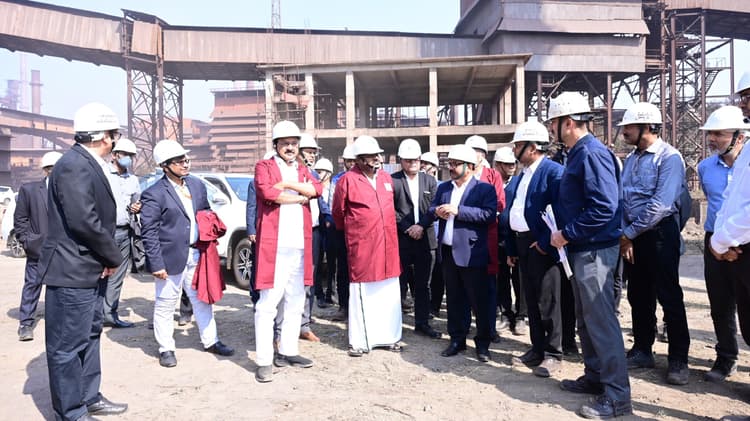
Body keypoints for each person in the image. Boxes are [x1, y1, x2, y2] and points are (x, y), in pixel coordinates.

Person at [37, 102, 128, 420]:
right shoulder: (74, 165)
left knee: (89, 335)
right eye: (114, 134)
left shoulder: (86, 163)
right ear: (104, 136)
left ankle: (89, 397)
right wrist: (112, 256)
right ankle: (71, 412)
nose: (115, 141)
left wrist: (104, 259)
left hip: (89, 268)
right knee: (67, 346)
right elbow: (83, 221)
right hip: (72, 270)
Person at [548, 92, 631, 419]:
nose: (551, 129)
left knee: (601, 322)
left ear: (568, 122)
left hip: (595, 250)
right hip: (584, 249)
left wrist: (567, 233)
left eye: (553, 123)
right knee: (587, 319)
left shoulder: (591, 154)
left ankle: (617, 396)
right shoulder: (578, 153)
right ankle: (596, 376)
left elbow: (604, 207)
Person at [141, 139, 235, 369]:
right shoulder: (154, 194)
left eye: (186, 159)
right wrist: (156, 264)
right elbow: (149, 232)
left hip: (197, 253)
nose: (185, 164)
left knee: (202, 299)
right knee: (165, 303)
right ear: (165, 166)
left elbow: (204, 212)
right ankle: (166, 348)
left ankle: (211, 340)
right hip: (170, 258)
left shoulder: (196, 185)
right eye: (179, 161)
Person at [617, 102, 690, 385]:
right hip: (634, 236)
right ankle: (642, 349)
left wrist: (629, 233)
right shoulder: (632, 159)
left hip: (660, 234)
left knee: (668, 294)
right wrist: (626, 236)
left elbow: (661, 204)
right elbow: (624, 199)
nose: (624, 131)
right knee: (638, 294)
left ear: (647, 126)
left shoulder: (669, 158)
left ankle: (678, 359)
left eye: (629, 127)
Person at [253, 121, 321, 382]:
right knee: (268, 303)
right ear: (276, 145)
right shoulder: (264, 166)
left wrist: (287, 185)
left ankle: (288, 351)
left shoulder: (303, 169)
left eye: (294, 143)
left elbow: (317, 189)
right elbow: (268, 193)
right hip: (275, 245)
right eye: (285, 143)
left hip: (300, 244)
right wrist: (301, 195)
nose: (290, 147)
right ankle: (263, 360)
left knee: (296, 299)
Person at [505, 119, 565, 378]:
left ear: (532, 147)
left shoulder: (553, 172)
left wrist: (544, 242)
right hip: (522, 244)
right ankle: (537, 348)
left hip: (542, 245)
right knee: (530, 299)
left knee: (547, 300)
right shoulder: (523, 175)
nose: (514, 149)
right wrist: (512, 247)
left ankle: (553, 353)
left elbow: (562, 211)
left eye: (518, 145)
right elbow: (514, 211)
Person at [332, 135, 403, 357]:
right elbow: (338, 213)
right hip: (363, 246)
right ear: (359, 159)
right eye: (372, 156)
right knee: (364, 292)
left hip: (388, 246)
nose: (378, 159)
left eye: (378, 155)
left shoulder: (386, 179)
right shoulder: (347, 180)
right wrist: (358, 231)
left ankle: (389, 337)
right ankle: (361, 341)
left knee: (389, 292)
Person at [428, 144, 497, 362]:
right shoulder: (444, 188)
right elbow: (431, 208)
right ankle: (457, 340)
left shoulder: (483, 189)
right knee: (455, 299)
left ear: (470, 166)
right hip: (449, 252)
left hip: (472, 253)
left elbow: (488, 214)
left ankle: (483, 344)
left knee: (479, 301)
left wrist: (459, 211)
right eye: (450, 163)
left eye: (456, 164)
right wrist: (437, 211)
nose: (451, 167)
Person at [701, 105, 750, 381]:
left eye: (719, 134)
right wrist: (719, 243)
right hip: (714, 242)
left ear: (739, 137)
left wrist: (732, 242)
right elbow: (716, 206)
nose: (712, 139)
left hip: (744, 244)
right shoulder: (705, 168)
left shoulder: (747, 165)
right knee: (720, 304)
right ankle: (726, 357)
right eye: (711, 133)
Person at [391, 138, 440, 339]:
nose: (412, 163)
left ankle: (422, 323)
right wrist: (407, 228)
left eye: (416, 160)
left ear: (420, 160)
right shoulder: (392, 181)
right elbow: (390, 209)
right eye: (408, 160)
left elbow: (435, 207)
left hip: (425, 239)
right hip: (402, 239)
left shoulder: (430, 181)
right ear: (401, 160)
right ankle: (394, 325)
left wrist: (421, 226)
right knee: (399, 283)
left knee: (423, 284)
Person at [15, 151, 61, 342]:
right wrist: (27, 241)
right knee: (32, 285)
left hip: (63, 249)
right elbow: (20, 219)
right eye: (52, 169)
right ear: (47, 170)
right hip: (38, 247)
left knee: (59, 287)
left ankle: (59, 322)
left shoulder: (69, 190)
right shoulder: (30, 190)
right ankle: (25, 323)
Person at [465, 135, 506, 343]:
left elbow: (499, 203)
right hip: (464, 235)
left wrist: (479, 214)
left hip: (487, 235)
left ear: (483, 155)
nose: (475, 155)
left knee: (488, 285)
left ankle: (489, 328)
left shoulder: (492, 176)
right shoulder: (462, 174)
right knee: (466, 285)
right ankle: (468, 326)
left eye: (478, 152)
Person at [103, 138, 141, 328]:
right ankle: (94, 315)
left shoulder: (133, 180)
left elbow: (137, 201)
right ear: (115, 155)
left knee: (117, 276)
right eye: (125, 154)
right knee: (100, 274)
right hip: (104, 232)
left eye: (131, 156)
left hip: (125, 231)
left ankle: (109, 315)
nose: (128, 159)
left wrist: (137, 206)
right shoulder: (103, 174)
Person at [493, 146, 526, 335]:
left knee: (520, 278)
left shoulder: (520, 182)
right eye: (507, 164)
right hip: (497, 238)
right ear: (498, 165)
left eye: (513, 163)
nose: (512, 166)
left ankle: (521, 315)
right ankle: (505, 313)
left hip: (516, 237)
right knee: (501, 277)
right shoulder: (492, 184)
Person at [328, 144, 356, 322]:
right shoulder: (337, 179)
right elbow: (333, 205)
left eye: (354, 161)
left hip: (359, 230)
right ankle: (344, 306)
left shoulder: (364, 178)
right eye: (348, 161)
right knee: (343, 269)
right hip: (341, 229)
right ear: (344, 161)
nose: (351, 164)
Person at [314, 158, 335, 305]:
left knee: (333, 263)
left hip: (332, 229)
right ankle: (319, 294)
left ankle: (331, 294)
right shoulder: (314, 188)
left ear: (328, 173)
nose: (317, 174)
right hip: (319, 229)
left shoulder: (335, 188)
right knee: (317, 262)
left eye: (320, 172)